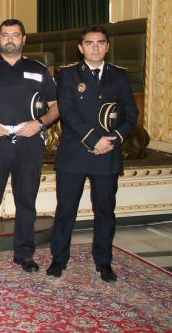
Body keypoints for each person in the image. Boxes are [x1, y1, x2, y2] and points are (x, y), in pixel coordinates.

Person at [0, 19, 60, 274]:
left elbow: (56, 106)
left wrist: (39, 124)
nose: (10, 39)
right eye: (5, 35)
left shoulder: (39, 69)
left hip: (29, 145)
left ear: (24, 39)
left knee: (26, 201)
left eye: (15, 35)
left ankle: (25, 254)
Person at [48, 25, 138, 282]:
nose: (95, 47)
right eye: (90, 43)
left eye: (100, 43)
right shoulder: (67, 75)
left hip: (108, 153)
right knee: (66, 209)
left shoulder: (119, 76)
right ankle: (59, 259)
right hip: (74, 154)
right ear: (81, 47)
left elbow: (131, 115)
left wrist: (114, 140)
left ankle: (104, 261)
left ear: (107, 47)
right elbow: (68, 112)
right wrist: (94, 139)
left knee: (105, 211)